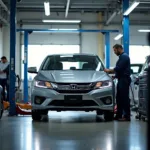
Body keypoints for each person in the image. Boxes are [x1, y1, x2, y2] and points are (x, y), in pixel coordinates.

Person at [104, 44, 131, 121]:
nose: (114, 52)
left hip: (124, 80)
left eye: (115, 50)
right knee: (119, 98)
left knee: (124, 98)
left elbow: (119, 68)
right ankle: (119, 115)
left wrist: (109, 70)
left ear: (119, 49)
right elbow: (120, 70)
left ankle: (126, 116)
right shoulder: (121, 57)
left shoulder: (124, 56)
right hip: (121, 79)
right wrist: (115, 76)